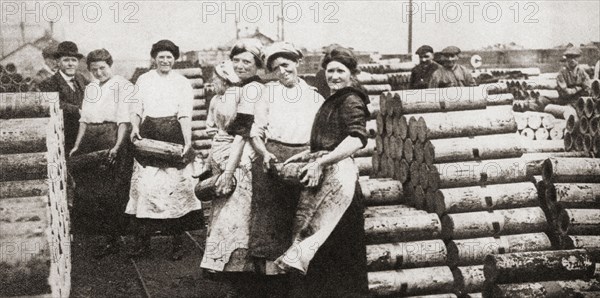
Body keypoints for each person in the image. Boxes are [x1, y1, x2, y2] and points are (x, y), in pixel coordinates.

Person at [277, 46, 369, 297]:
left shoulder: (351, 99)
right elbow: (330, 139)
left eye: (341, 71)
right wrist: (309, 154)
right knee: (321, 249)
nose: (334, 76)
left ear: (352, 74)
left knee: (339, 251)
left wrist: (321, 162)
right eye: (330, 71)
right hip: (326, 178)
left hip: (340, 184)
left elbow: (356, 139)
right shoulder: (335, 99)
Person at [247, 41, 324, 295]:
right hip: (273, 159)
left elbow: (322, 136)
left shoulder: (314, 96)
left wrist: (314, 161)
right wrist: (265, 153)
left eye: (286, 64)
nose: (282, 71)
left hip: (304, 159)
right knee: (270, 218)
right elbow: (256, 133)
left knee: (302, 219)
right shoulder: (267, 94)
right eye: (276, 68)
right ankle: (271, 283)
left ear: (297, 63)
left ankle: (299, 279)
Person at [126, 39, 202, 261]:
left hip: (173, 136)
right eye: (161, 57)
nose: (165, 60)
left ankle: (177, 242)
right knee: (146, 188)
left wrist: (187, 140)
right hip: (148, 135)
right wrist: (135, 128)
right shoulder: (144, 79)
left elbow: (185, 114)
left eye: (169, 57)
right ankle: (143, 242)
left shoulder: (182, 83)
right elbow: (136, 107)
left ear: (175, 59)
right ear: (154, 58)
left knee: (175, 188)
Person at [68, 49, 135, 258]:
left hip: (112, 136)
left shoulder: (122, 85)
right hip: (91, 139)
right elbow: (84, 120)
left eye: (102, 68)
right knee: (91, 189)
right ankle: (99, 238)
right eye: (94, 69)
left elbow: (124, 120)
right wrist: (77, 146)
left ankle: (113, 239)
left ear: (110, 66)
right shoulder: (90, 88)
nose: (98, 73)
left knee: (112, 190)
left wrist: (116, 147)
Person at [39, 41, 89, 152]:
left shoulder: (81, 78)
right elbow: (52, 104)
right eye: (66, 60)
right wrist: (77, 109)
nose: (70, 64)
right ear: (58, 62)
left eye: (74, 60)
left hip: (84, 135)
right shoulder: (48, 83)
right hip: (63, 136)